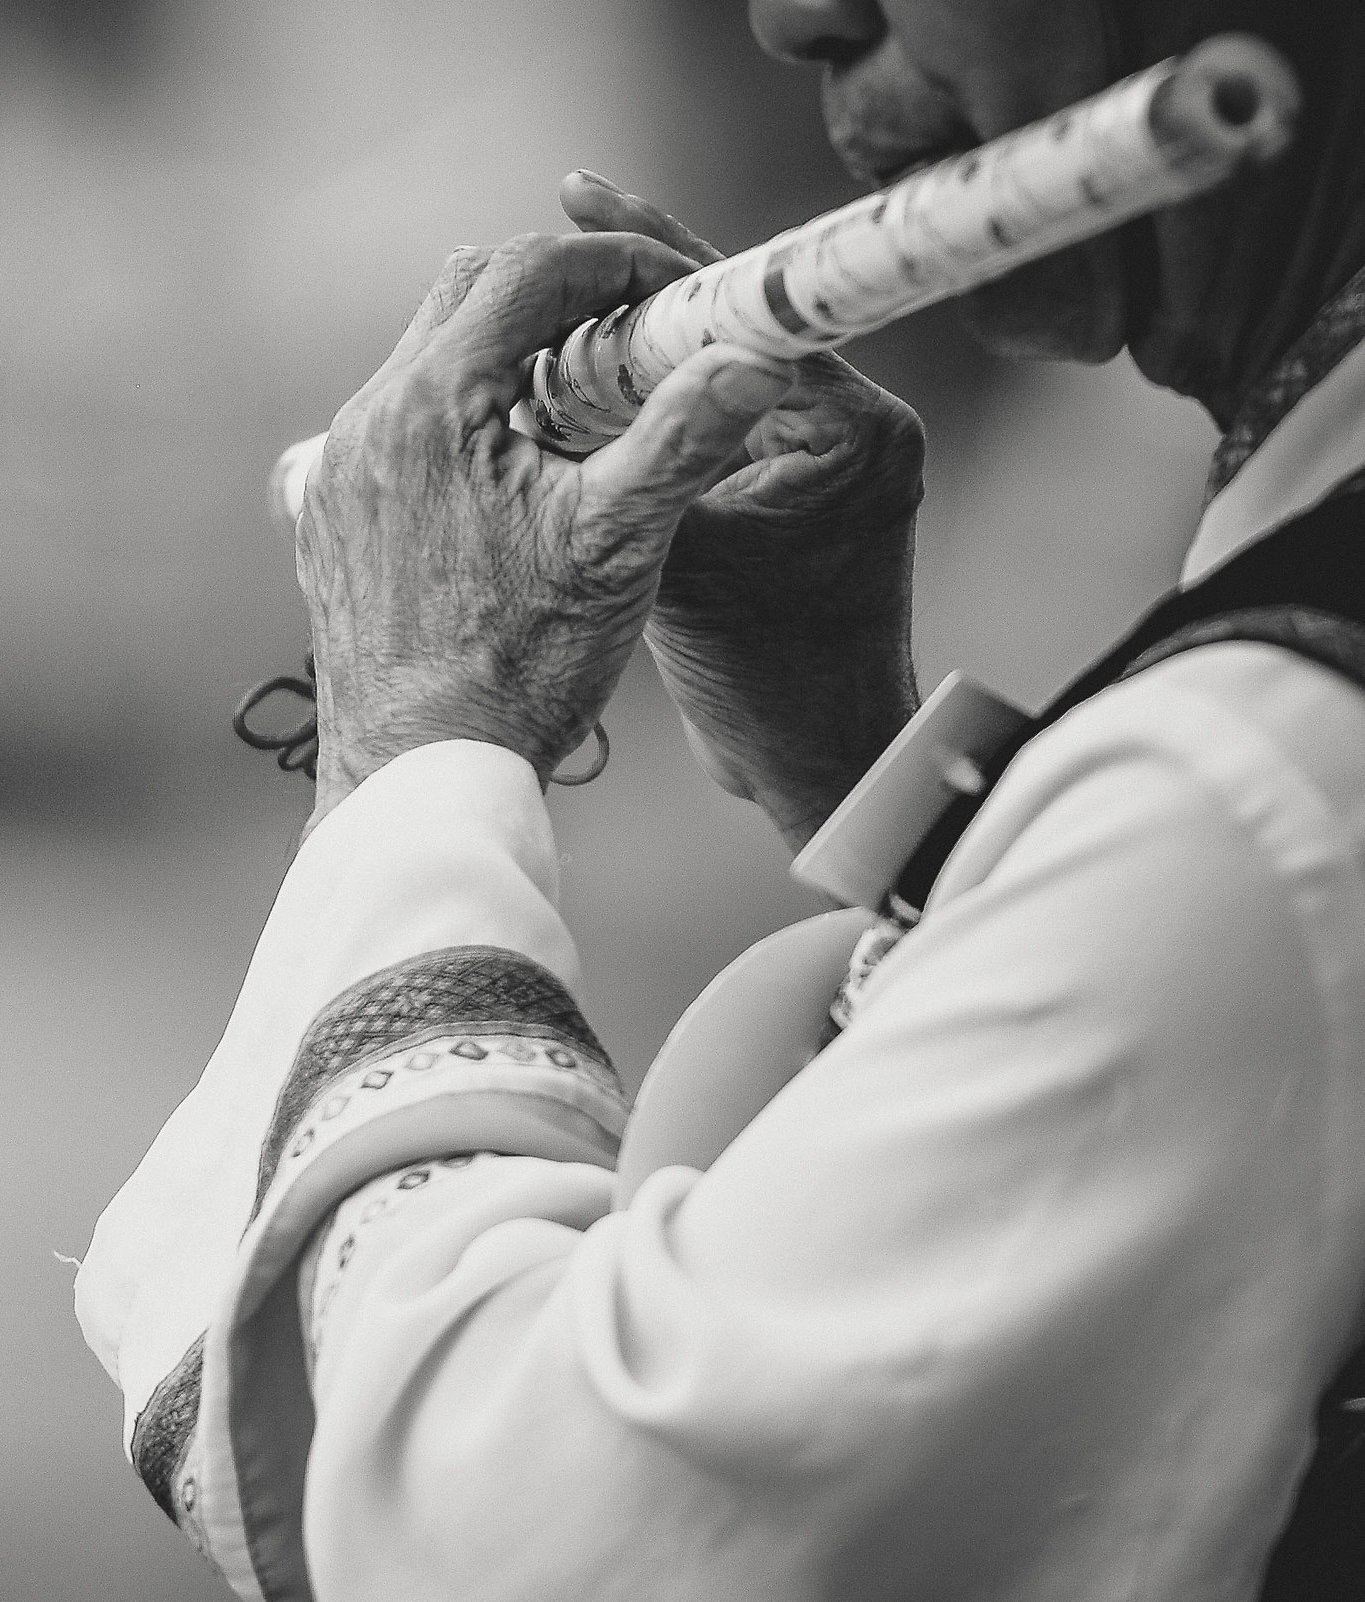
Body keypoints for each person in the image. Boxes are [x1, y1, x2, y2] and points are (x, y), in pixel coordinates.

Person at [73, 1, 1365, 1598]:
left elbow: (504, 1529)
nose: (794, 16)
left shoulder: (1268, 776)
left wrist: (418, 732)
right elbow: (1202, 1091)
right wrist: (846, 752)